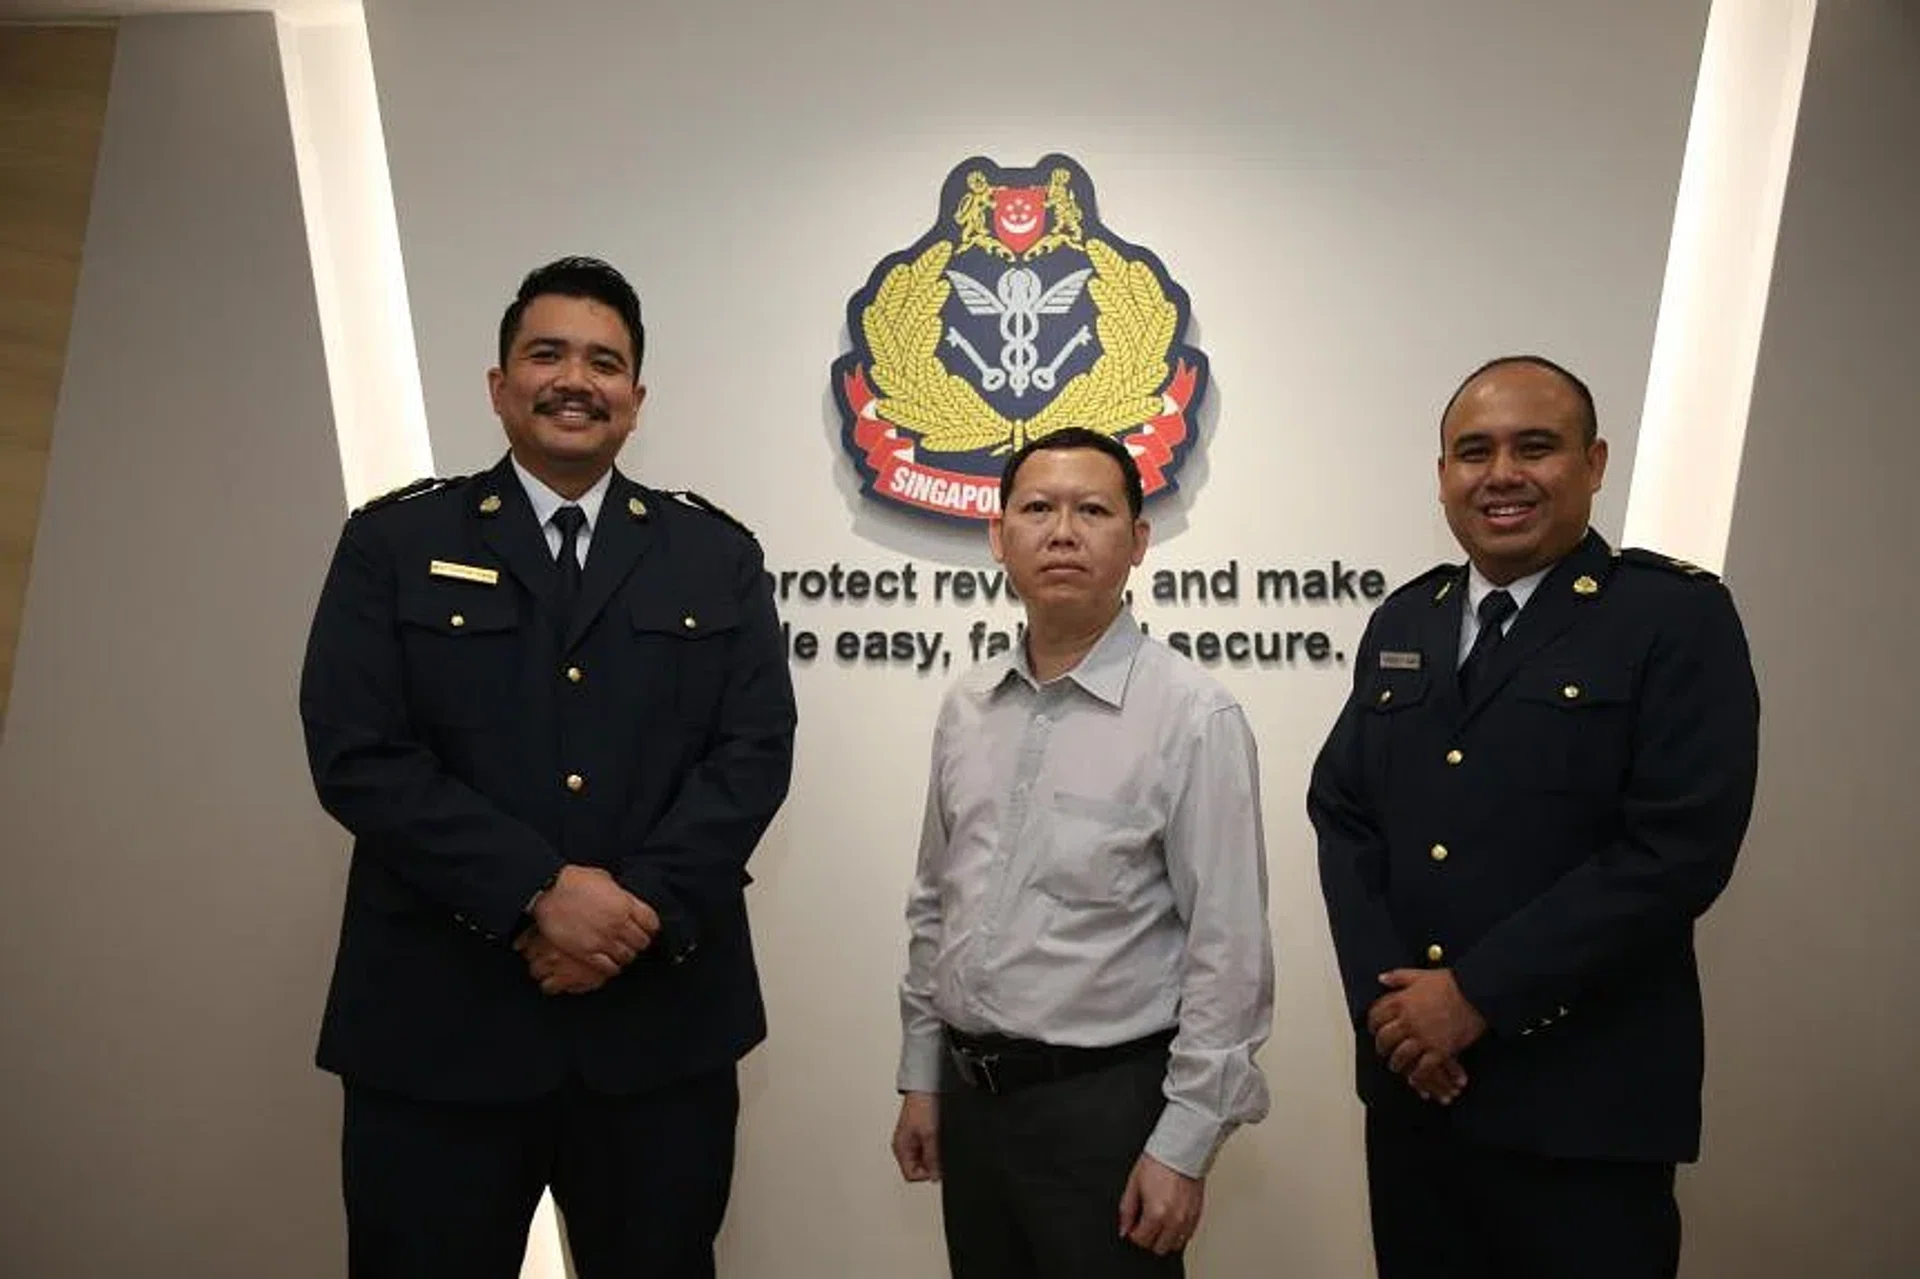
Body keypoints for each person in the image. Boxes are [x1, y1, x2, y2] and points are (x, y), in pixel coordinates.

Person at [299, 256, 796, 1278]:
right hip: (439, 1028)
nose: (577, 378)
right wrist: (535, 893)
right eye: (548, 353)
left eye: (605, 361)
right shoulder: (395, 542)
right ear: (498, 384)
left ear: (636, 398)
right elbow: (359, 753)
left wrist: (630, 910)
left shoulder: (716, 557)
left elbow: (752, 756)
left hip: (656, 1034)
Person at [1309, 355, 1760, 1278]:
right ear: (1442, 476)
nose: (1501, 473)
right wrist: (1391, 1011)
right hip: (1418, 1110)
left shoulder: (1673, 617)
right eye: (1473, 451)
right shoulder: (1407, 621)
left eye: (1536, 447)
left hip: (1585, 1113)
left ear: (1594, 464)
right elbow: (1344, 811)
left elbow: (1676, 848)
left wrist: (1476, 995)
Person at [890, 427, 1274, 1278]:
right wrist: (923, 1075)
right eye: (1037, 509)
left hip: (1108, 1115)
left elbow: (1229, 953)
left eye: (1092, 510)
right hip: (973, 1107)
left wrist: (1183, 1144)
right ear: (999, 537)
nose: (1062, 531)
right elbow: (933, 904)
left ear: (1137, 541)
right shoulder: (967, 708)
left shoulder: (1193, 717)